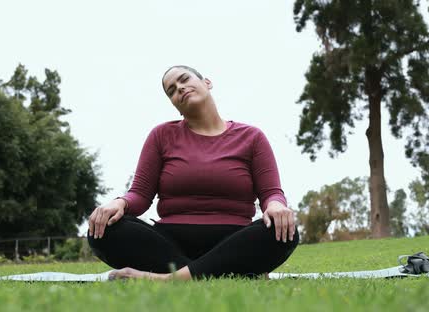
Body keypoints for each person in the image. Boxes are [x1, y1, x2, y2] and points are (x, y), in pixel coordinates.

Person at [87, 65, 298, 280]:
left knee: (280, 231)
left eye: (184, 79)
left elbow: (271, 192)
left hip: (234, 239)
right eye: (171, 90)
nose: (179, 88)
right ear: (175, 105)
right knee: (106, 228)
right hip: (170, 244)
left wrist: (275, 205)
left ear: (207, 82)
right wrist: (119, 203)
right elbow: (140, 195)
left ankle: (170, 279)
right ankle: (227, 273)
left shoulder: (252, 137)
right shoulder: (161, 135)